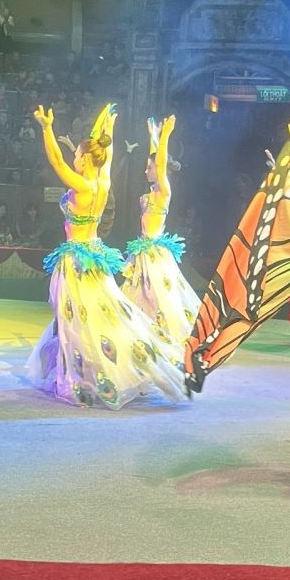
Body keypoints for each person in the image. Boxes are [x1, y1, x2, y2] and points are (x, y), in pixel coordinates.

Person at [25, 104, 184, 408]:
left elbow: (56, 160)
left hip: (77, 261)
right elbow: (107, 154)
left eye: (77, 155)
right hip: (95, 256)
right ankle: (84, 367)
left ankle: (82, 376)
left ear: (85, 159)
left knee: (77, 320)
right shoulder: (103, 182)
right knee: (99, 315)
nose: (74, 158)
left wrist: (46, 128)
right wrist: (106, 129)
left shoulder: (83, 185)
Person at [120, 115, 197, 359]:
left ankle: (165, 337)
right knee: (138, 294)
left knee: (159, 298)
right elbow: (156, 158)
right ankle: (140, 335)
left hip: (155, 252)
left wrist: (164, 136)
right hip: (142, 250)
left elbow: (160, 162)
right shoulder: (151, 191)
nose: (146, 171)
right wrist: (153, 137)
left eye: (149, 168)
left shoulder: (164, 191)